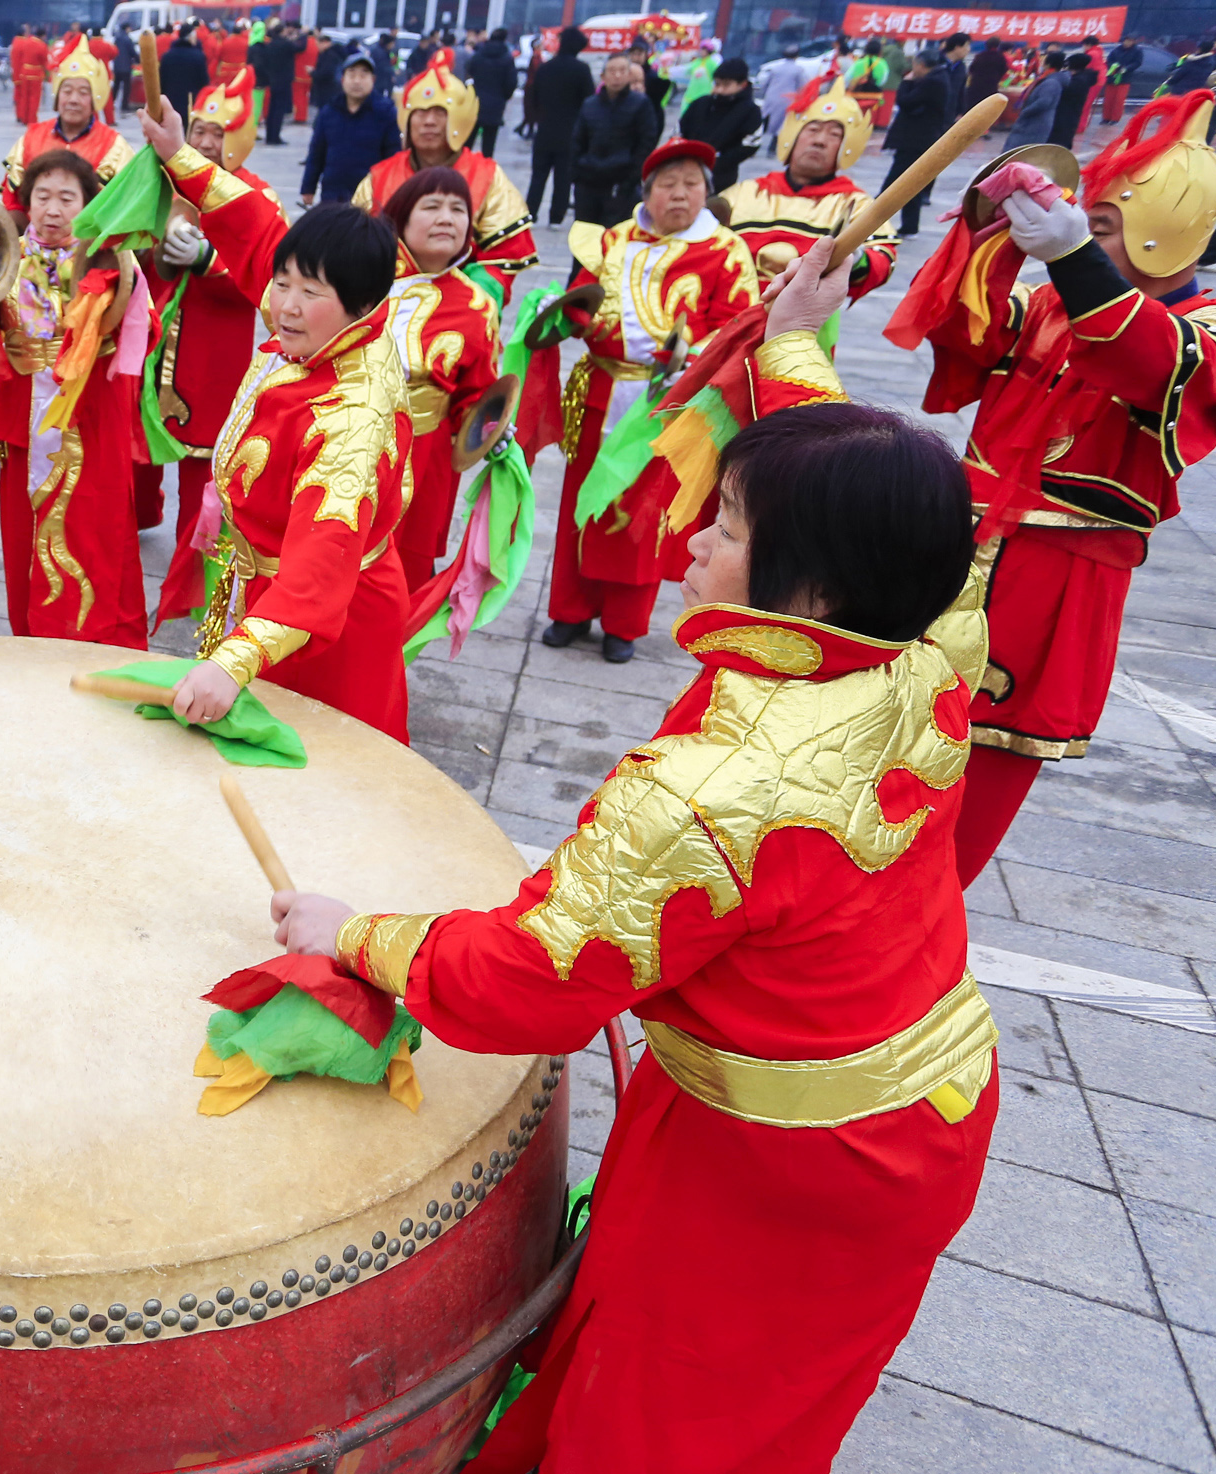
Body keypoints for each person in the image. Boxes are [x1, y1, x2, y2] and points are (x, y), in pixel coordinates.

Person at [270, 246, 994, 1474]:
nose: (693, 548)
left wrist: (353, 933)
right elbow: (886, 499)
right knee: (752, 1388)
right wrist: (793, 344)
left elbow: (525, 978)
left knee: (669, 1418)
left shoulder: (712, 793)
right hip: (921, 1101)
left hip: (786, 1166)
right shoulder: (934, 634)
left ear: (808, 591)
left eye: (724, 526)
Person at [887, 91, 1216, 887]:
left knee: (980, 772)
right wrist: (986, 234)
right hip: (962, 547)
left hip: (1057, 574)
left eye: (1099, 225)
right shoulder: (1047, 303)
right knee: (888, 738)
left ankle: (916, 939)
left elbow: (1145, 362)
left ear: (1161, 229)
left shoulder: (1203, 324)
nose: (1080, 234)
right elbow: (963, 334)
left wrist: (1075, 259)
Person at [139, 98, 415, 742]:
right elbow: (259, 231)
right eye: (282, 283)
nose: (284, 305)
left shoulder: (353, 416)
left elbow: (320, 565)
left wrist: (231, 664)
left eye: (308, 293)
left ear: (364, 305)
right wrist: (181, 155)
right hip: (267, 588)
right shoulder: (320, 322)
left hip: (330, 619)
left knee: (324, 762)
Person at [543, 140, 759, 662]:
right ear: (648, 193)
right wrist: (565, 316)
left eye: (691, 184)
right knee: (583, 504)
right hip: (601, 391)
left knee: (644, 514)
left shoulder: (726, 250)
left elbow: (741, 328)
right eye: (668, 184)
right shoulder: (613, 238)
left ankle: (624, 624)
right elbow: (583, 300)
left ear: (707, 192)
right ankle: (569, 610)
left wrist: (688, 355)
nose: (680, 195)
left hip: (670, 402)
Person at [0, 149, 148, 646]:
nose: (54, 208)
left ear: (87, 204)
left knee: (93, 534)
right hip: (22, 420)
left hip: (89, 420)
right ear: (27, 202)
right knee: (24, 538)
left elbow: (131, 333)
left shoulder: (107, 260)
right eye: (42, 196)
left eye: (67, 197)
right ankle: (31, 639)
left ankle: (93, 638)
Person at [133, 66, 281, 574]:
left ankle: (189, 580)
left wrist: (209, 261)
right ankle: (133, 521)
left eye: (219, 133)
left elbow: (267, 280)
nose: (208, 141)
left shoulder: (257, 198)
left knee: (203, 469)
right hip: (151, 339)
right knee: (136, 446)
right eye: (200, 130)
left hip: (213, 352)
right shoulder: (158, 181)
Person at [376, 166, 505, 591]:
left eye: (458, 209)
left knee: (403, 572)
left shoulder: (477, 305)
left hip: (426, 459)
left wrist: (491, 427)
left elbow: (477, 393)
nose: (447, 217)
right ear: (400, 217)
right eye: (431, 206)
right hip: (346, 439)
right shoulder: (361, 275)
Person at [351, 63, 537, 299]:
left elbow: (505, 254)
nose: (429, 121)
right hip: (384, 304)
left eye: (440, 112)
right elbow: (354, 244)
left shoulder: (487, 176)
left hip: (462, 304)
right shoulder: (380, 176)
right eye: (420, 112)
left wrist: (470, 297)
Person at [717, 78, 899, 300]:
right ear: (793, 137)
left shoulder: (856, 205)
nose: (820, 141)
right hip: (730, 315)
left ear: (845, 147)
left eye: (834, 135)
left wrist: (855, 258)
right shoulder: (743, 193)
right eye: (813, 130)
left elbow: (884, 258)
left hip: (805, 325)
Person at [2, 37, 134, 211]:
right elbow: (12, 203)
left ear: (95, 99)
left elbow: (128, 205)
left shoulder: (114, 146)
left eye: (83, 92)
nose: (73, 100)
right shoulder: (31, 138)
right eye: (67, 91)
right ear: (57, 96)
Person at [300, 50, 399, 209]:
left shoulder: (385, 112)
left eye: (363, 75)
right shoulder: (329, 112)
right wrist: (308, 188)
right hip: (333, 197)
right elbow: (316, 153)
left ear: (373, 80)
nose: (357, 81)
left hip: (371, 198)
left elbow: (393, 157)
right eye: (352, 75)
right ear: (342, 79)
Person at [571, 54, 659, 227]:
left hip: (622, 183)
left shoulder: (641, 104)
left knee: (616, 237)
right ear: (603, 76)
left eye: (622, 71)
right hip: (589, 181)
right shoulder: (590, 104)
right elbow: (577, 141)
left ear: (628, 75)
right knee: (586, 238)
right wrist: (577, 173)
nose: (617, 76)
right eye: (612, 71)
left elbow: (646, 143)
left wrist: (631, 179)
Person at [525, 27, 593, 225]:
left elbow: (534, 96)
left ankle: (531, 213)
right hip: (570, 133)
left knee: (538, 176)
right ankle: (556, 217)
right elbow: (589, 102)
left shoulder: (545, 68)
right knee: (562, 178)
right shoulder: (581, 70)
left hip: (544, 130)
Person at [884, 51, 951, 236]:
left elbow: (906, 101)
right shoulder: (938, 78)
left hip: (915, 141)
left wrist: (906, 82)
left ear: (921, 65)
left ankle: (872, 222)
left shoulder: (933, 82)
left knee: (893, 185)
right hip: (918, 139)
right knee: (910, 185)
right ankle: (909, 226)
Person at [677, 58, 763, 191]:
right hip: (686, 168)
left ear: (743, 84)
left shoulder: (750, 111)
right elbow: (680, 131)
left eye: (726, 85)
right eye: (717, 84)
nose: (719, 90)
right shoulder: (701, 103)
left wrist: (719, 161)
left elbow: (751, 144)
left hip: (722, 177)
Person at [462, 28, 514, 158]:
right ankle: (485, 173)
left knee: (467, 143)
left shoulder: (479, 54)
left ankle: (462, 170)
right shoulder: (507, 58)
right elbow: (511, 83)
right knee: (489, 146)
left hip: (476, 102)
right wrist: (503, 97)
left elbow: (469, 70)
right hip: (495, 105)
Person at [1005, 54, 1067, 146]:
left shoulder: (1051, 82)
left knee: (1021, 150)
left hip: (1036, 123)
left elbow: (1043, 102)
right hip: (1035, 121)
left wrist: (1025, 112)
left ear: (1048, 64)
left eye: (1043, 61)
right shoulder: (1047, 79)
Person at [158, 25, 211, 124]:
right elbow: (204, 82)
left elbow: (161, 81)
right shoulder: (198, 56)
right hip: (191, 102)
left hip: (170, 102)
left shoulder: (167, 56)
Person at [1050, 52, 1095, 148]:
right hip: (1069, 114)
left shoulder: (1078, 81)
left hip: (1066, 114)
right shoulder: (1081, 77)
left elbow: (1065, 92)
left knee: (1060, 139)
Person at [11, 25, 47, 123]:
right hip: (36, 74)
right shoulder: (42, 46)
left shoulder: (26, 42)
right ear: (43, 36)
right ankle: (31, 119)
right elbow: (44, 61)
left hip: (24, 72)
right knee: (34, 98)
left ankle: (24, 117)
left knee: (24, 97)